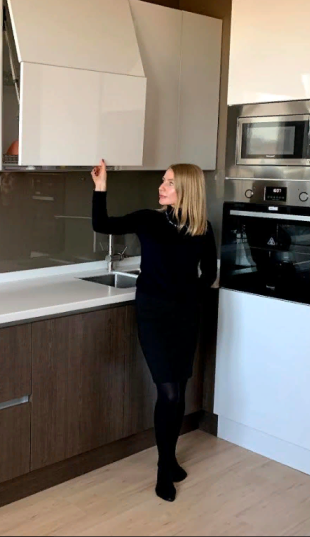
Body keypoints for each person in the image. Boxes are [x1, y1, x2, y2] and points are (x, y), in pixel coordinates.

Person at [91, 159, 217, 502]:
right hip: (154, 315)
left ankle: (171, 459)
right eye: (163, 180)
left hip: (185, 317)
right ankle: (164, 469)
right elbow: (102, 224)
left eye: (169, 182)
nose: (161, 187)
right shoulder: (148, 219)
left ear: (187, 189)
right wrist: (100, 186)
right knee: (170, 392)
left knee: (180, 388)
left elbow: (208, 273)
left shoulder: (202, 228)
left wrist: (189, 294)